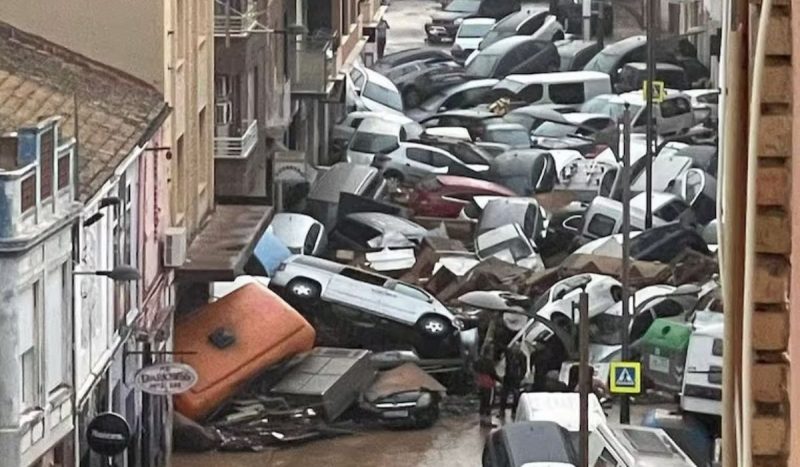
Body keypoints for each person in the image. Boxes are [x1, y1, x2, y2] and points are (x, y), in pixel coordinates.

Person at [498, 342, 526, 420]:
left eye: (517, 347)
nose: (515, 349)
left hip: (515, 378)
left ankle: (514, 411)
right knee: (504, 395)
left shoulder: (522, 356)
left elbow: (524, 368)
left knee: (515, 396)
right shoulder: (508, 353)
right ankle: (502, 411)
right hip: (508, 377)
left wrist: (521, 377)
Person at [475, 344, 500, 427]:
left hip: (481, 383)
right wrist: (500, 380)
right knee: (489, 403)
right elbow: (493, 373)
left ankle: (482, 421)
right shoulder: (489, 362)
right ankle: (488, 422)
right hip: (489, 384)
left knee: (482, 402)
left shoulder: (479, 361)